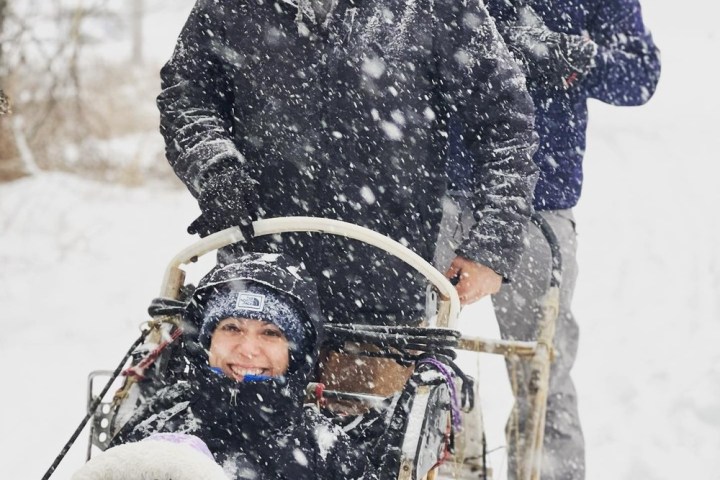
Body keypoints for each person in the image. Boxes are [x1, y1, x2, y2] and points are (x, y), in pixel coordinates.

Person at [157, 0, 539, 329]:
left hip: (383, 289)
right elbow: (186, 97)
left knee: (371, 411)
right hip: (255, 286)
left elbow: (505, 122)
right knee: (236, 409)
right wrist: (215, 169)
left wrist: (492, 245)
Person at [435, 0, 661, 479]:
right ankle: (440, 462)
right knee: (410, 356)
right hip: (432, 193)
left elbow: (641, 74)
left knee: (543, 375)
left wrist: (571, 56)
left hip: (539, 207)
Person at [104, 253, 379, 480]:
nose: (247, 349)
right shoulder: (156, 430)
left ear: (294, 354)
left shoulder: (327, 453)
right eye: (231, 328)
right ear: (207, 342)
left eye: (271, 333)